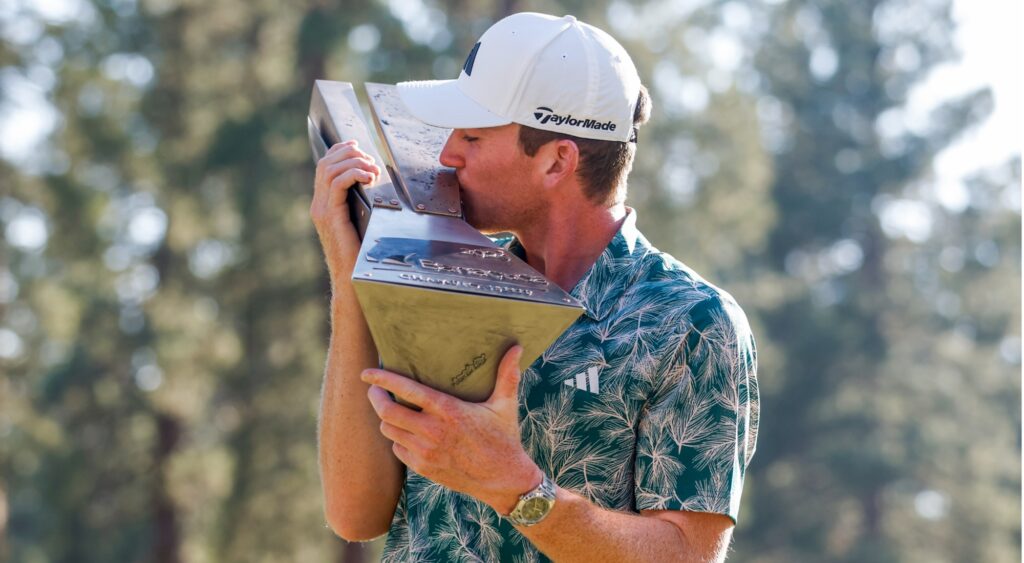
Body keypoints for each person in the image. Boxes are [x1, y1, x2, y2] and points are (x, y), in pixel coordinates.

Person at [310, 11, 759, 563]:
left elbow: (688, 555)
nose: (448, 153)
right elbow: (355, 515)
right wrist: (350, 272)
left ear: (556, 161)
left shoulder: (692, 322)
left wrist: (515, 486)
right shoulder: (440, 279)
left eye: (473, 136)